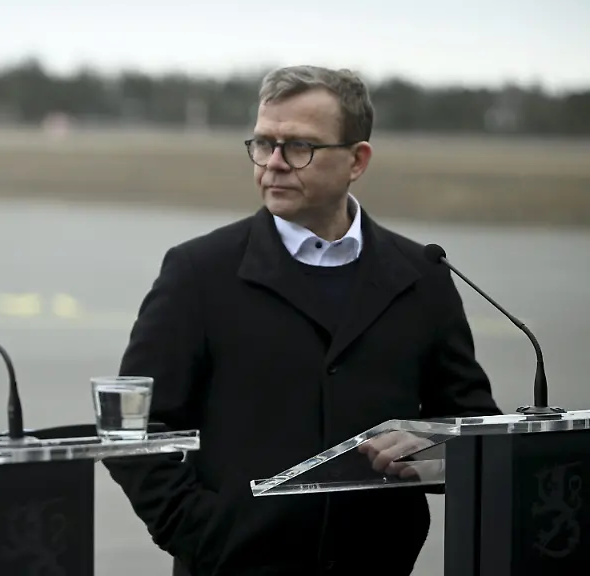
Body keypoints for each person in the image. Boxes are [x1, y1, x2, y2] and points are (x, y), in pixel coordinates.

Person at [102, 66, 502, 575]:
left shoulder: (422, 275)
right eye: (263, 143)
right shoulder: (198, 272)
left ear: (357, 160)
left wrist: (436, 442)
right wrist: (206, 532)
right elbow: (128, 431)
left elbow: (477, 427)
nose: (273, 164)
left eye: (298, 147)